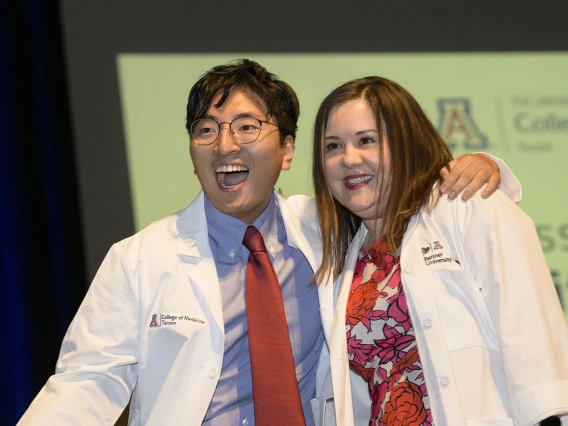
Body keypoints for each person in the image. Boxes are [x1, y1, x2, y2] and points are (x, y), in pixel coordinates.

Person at [18, 60, 515, 426]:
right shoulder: (139, 258)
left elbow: (407, 197)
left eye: (247, 127)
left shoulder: (329, 227)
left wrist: (483, 166)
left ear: (289, 149)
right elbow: (87, 381)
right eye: (205, 130)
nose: (225, 146)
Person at [311, 76, 568, 425]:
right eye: (332, 147)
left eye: (366, 140)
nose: (349, 159)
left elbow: (530, 330)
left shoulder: (466, 204)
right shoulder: (346, 257)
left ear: (405, 144)